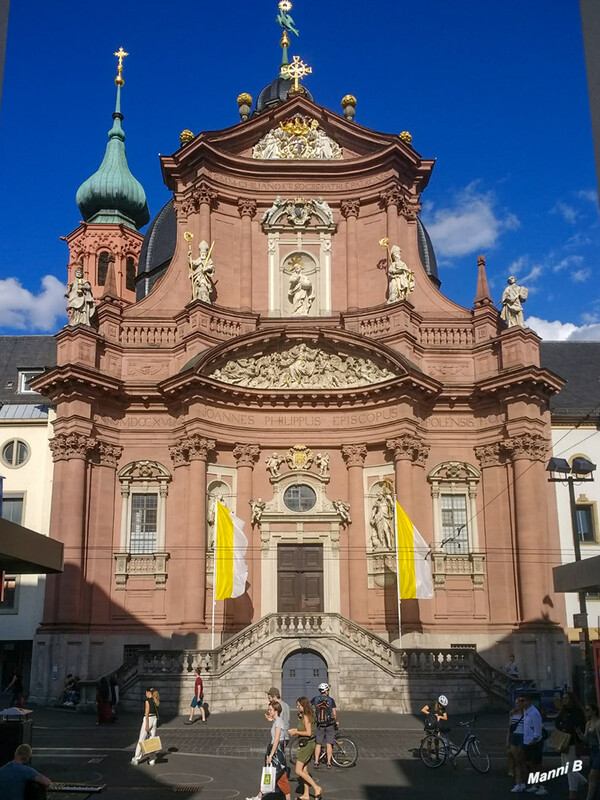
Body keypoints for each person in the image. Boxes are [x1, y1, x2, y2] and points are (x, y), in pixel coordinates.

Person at [246, 700, 291, 800]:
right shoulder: (277, 721)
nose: (269, 711)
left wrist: (270, 756)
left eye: (270, 710)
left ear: (276, 710)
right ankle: (259, 796)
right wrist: (271, 719)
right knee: (279, 776)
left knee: (274, 774)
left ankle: (259, 796)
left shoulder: (279, 722)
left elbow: (277, 740)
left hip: (277, 753)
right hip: (277, 751)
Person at [288, 697, 322, 800]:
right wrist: (296, 729)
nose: (297, 707)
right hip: (308, 744)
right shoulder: (307, 715)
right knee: (304, 770)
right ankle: (306, 794)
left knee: (298, 770)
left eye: (299, 705)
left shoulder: (307, 716)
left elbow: (308, 733)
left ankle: (317, 788)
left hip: (306, 745)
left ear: (304, 705)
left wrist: (295, 732)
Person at [554, 692, 587, 799]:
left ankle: (573, 793)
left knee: (570, 769)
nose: (564, 700)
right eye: (563, 698)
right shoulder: (563, 711)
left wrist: (564, 726)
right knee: (566, 768)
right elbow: (557, 722)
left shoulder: (576, 712)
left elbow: (575, 725)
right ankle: (584, 783)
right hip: (564, 741)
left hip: (572, 742)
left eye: (566, 698)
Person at [522, 693, 547, 796]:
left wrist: (534, 739)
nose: (521, 703)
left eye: (523, 701)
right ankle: (536, 784)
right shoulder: (526, 712)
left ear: (528, 701)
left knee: (538, 765)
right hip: (527, 742)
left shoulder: (534, 713)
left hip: (534, 742)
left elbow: (538, 729)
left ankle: (543, 786)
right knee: (530, 764)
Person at [311, 682, 337, 769]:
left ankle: (316, 762)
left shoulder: (315, 699)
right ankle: (329, 763)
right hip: (329, 724)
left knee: (318, 743)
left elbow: (308, 707)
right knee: (329, 743)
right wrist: (336, 721)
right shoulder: (331, 700)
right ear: (326, 691)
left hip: (319, 724)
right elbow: (334, 713)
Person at [132, 687, 160, 766]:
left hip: (149, 719)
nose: (145, 694)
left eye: (146, 693)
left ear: (148, 693)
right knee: (152, 740)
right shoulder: (156, 700)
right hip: (155, 719)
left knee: (141, 739)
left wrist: (147, 725)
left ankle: (136, 758)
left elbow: (146, 714)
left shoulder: (147, 701)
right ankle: (152, 759)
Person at [507, 696, 527, 793]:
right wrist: (507, 740)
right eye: (516, 703)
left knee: (521, 760)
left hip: (521, 737)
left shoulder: (526, 714)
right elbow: (510, 728)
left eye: (519, 703)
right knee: (516, 760)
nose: (517, 705)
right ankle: (518, 783)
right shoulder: (512, 714)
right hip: (513, 737)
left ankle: (522, 782)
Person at [584, 702, 600, 800]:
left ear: (594, 711)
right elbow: (586, 739)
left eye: (588, 710)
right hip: (591, 751)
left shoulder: (598, 723)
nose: (586, 712)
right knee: (594, 777)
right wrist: (581, 736)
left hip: (598, 750)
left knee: (592, 775)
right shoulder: (588, 723)